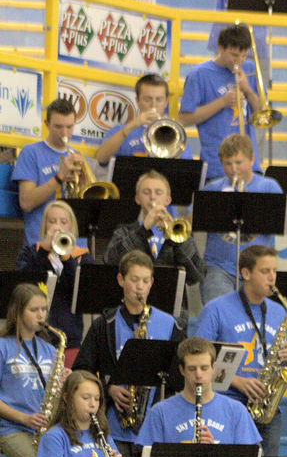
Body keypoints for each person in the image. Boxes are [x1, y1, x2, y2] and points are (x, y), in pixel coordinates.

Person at [73, 250, 183, 457]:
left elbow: (180, 372)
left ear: (152, 282)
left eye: (145, 281)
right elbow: (81, 370)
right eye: (134, 280)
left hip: (156, 428)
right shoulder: (104, 324)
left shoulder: (169, 324)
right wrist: (108, 388)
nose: (139, 287)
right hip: (115, 428)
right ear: (121, 280)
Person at [196, 244, 287, 457]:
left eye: (274, 271)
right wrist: (238, 381)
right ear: (245, 273)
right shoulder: (216, 309)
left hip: (267, 408)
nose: (272, 278)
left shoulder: (280, 311)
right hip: (228, 403)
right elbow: (197, 360)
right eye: (265, 271)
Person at [0, 284, 61, 457]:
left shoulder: (49, 349)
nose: (41, 315)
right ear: (18, 311)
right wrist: (23, 417)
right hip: (9, 428)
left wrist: (62, 384)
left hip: (40, 430)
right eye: (34, 310)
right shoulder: (2, 346)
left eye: (44, 310)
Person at [199, 132, 283, 304]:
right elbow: (194, 221)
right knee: (221, 317)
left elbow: (279, 224)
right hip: (219, 267)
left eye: (239, 162)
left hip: (256, 268)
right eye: (228, 164)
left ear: (252, 159)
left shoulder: (269, 186)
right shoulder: (212, 188)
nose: (234, 169)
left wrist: (247, 200)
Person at [104, 169, 206, 301]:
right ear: (137, 199)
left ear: (168, 200)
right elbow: (110, 261)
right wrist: (143, 230)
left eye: (158, 193)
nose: (152, 197)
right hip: (132, 303)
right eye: (146, 192)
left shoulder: (181, 233)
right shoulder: (125, 231)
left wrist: (177, 241)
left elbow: (197, 275)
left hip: (171, 307)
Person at [179, 24, 260, 180]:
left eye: (244, 55)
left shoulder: (249, 68)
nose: (240, 60)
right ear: (220, 47)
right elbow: (184, 119)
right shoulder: (199, 74)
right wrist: (222, 102)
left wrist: (248, 90)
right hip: (217, 166)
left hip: (250, 165)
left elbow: (260, 114)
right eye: (234, 55)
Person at [16, 200, 92, 351]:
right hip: (34, 335)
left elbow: (83, 290)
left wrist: (67, 258)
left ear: (71, 227)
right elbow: (24, 286)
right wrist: (44, 250)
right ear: (45, 226)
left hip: (70, 337)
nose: (58, 226)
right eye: (52, 221)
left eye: (63, 222)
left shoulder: (82, 257)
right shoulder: (30, 253)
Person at [12, 97, 82, 246]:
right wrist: (60, 176)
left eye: (69, 127)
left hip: (75, 246)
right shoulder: (30, 152)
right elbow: (26, 202)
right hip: (40, 244)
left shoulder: (79, 157)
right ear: (46, 124)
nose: (64, 133)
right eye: (58, 126)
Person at [95, 73, 191, 165]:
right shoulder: (120, 131)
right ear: (138, 101)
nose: (153, 104)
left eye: (159, 100)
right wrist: (129, 128)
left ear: (166, 102)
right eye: (148, 99)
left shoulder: (176, 134)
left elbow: (187, 170)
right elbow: (101, 158)